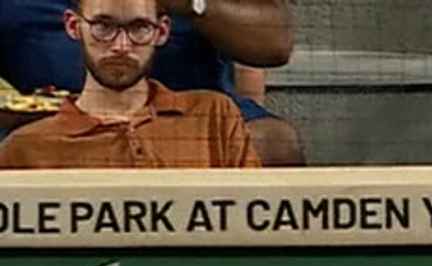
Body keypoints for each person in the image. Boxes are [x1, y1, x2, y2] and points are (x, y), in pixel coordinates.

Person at [0, 0, 298, 164]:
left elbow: (274, 43)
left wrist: (194, 4)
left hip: (186, 119)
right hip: (42, 124)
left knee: (274, 141)